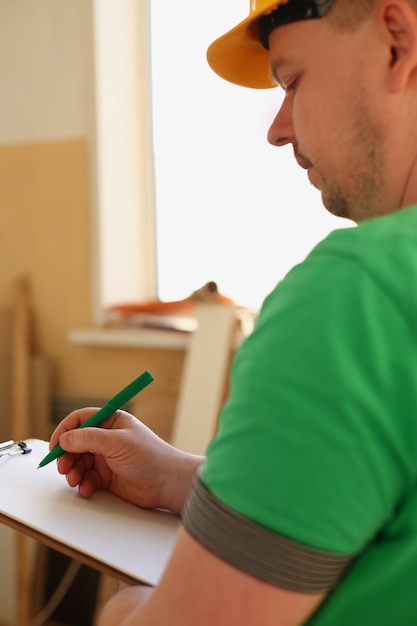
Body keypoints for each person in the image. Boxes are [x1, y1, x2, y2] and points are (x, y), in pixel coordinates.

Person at [49, 0, 417, 623]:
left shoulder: (357, 298)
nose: (278, 128)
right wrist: (173, 477)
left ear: (396, 40)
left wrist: (127, 610)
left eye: (292, 80)